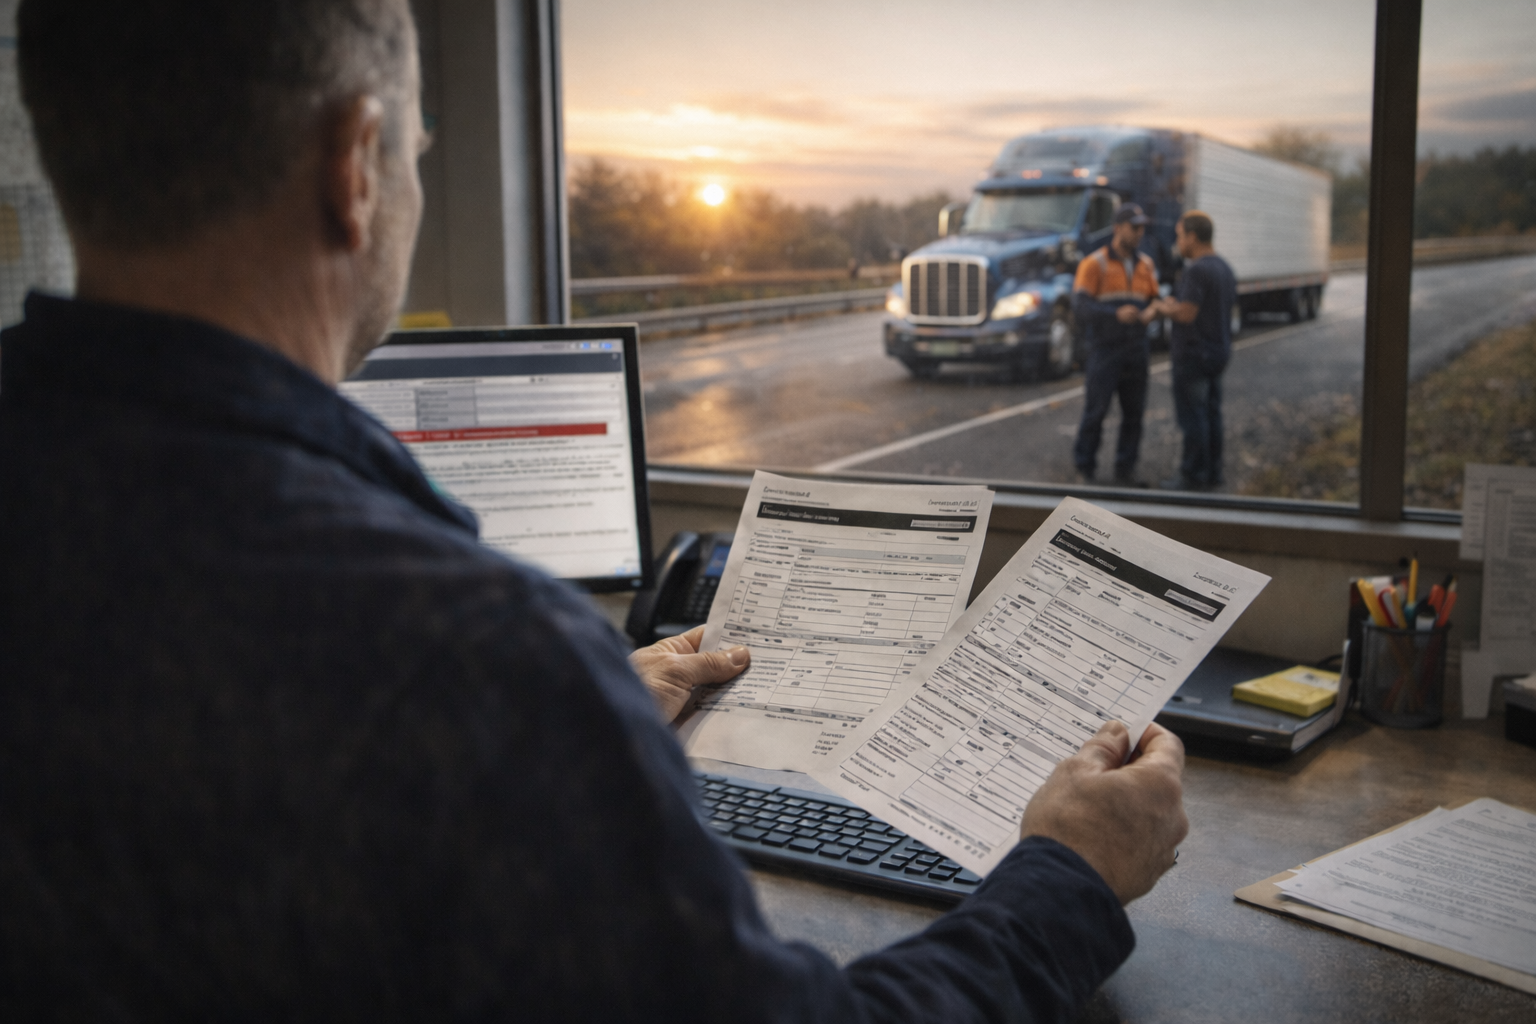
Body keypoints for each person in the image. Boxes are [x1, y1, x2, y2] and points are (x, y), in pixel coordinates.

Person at [0, 1, 1188, 1018]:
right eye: (416, 147)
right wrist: (1070, 875)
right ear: (354, 168)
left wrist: (587, 708)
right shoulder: (475, 660)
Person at [1070, 203, 1161, 486]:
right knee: (1096, 411)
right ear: (1117, 228)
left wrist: (1150, 312)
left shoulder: (1146, 264)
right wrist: (1114, 314)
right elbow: (1080, 306)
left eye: (1142, 227)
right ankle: (1085, 470)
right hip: (1105, 349)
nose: (1140, 232)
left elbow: (1153, 298)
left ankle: (1126, 471)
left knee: (1134, 413)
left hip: (1137, 349)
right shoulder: (1094, 263)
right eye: (1135, 227)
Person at [1151, 211, 1238, 491]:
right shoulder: (1224, 268)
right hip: (1218, 352)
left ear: (1192, 236)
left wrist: (1162, 307)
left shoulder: (1197, 270)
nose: (1178, 242)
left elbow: (1186, 314)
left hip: (1194, 355)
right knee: (1212, 415)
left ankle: (1192, 475)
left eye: (1179, 235)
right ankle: (1213, 472)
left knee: (1193, 417)